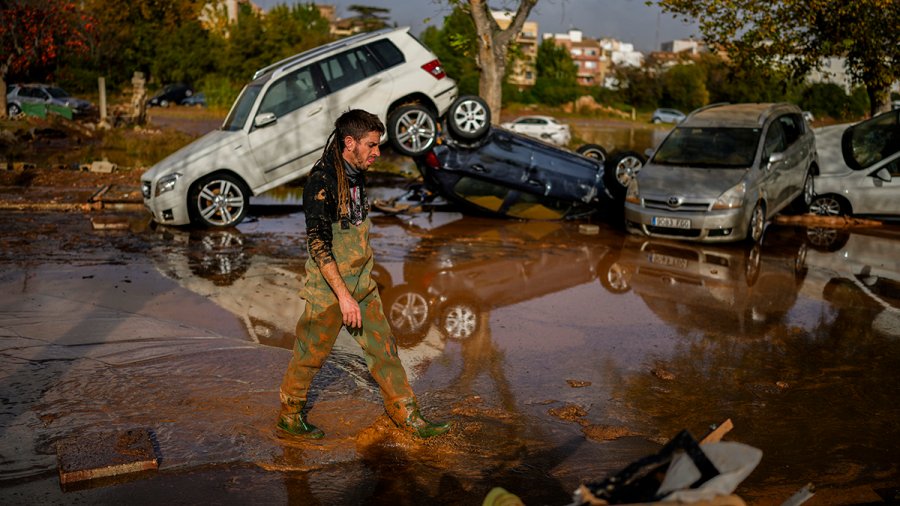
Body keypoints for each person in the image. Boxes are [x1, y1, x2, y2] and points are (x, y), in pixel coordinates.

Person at [277, 109, 450, 439]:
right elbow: (318, 245)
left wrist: (361, 287)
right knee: (310, 354)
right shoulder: (321, 182)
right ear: (349, 143)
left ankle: (406, 414)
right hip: (329, 289)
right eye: (372, 145)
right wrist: (344, 298)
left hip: (361, 282)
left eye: (378, 145)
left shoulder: (356, 173)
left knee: (384, 349)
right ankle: (290, 414)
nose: (377, 152)